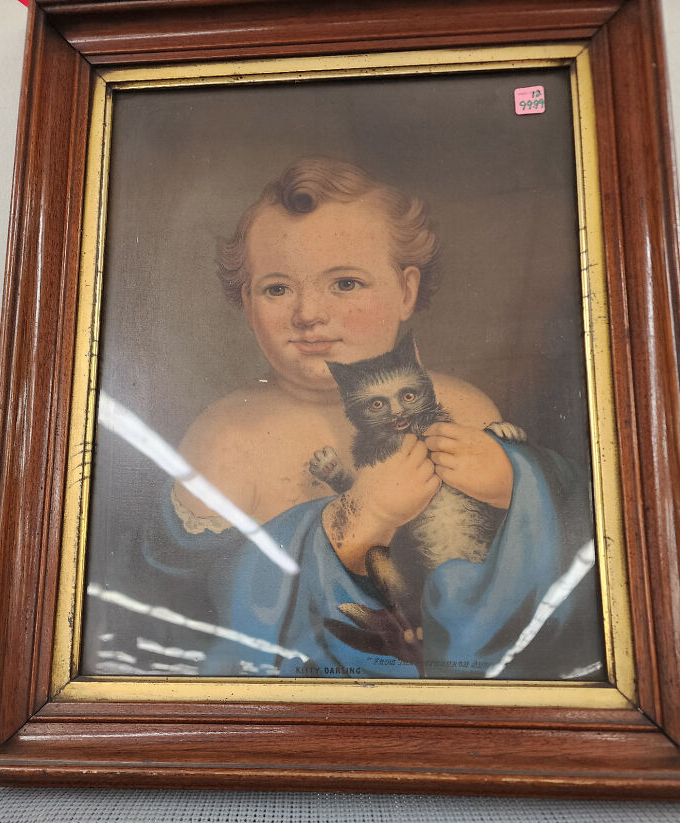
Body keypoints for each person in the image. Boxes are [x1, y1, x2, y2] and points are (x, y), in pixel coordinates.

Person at [153, 157, 604, 680]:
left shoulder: (464, 407)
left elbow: (535, 595)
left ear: (406, 291)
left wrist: (515, 482)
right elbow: (189, 620)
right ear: (246, 302)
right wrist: (351, 525)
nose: (308, 314)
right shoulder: (224, 441)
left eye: (345, 284)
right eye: (277, 288)